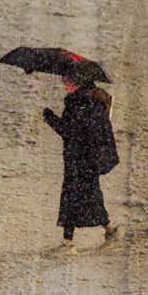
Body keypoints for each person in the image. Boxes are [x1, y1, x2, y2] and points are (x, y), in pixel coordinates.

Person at [42, 77, 118, 249]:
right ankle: (108, 229)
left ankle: (69, 242)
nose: (64, 84)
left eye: (68, 81)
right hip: (88, 159)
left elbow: (69, 132)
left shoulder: (78, 104)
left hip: (80, 159)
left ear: (78, 83)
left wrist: (49, 117)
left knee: (74, 197)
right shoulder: (94, 101)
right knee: (88, 195)